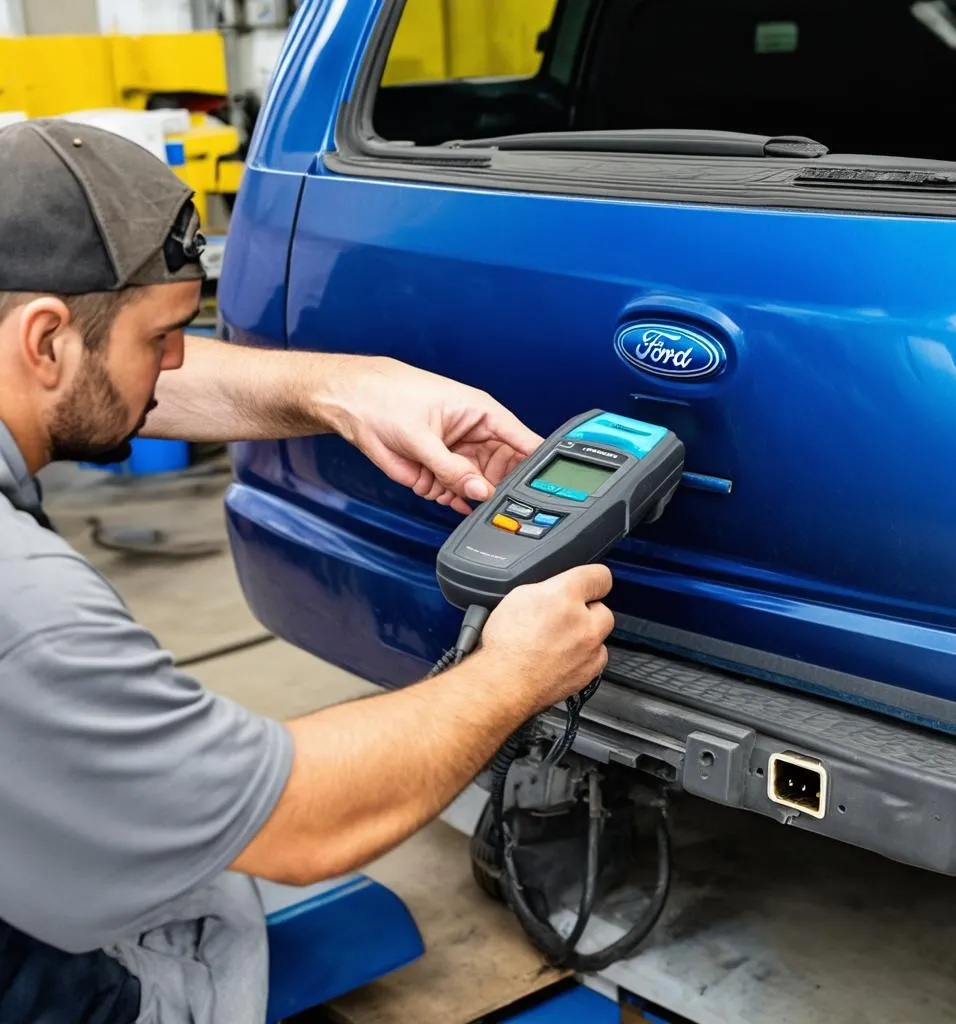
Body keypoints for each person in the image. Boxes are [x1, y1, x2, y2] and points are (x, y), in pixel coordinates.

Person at [0, 119, 614, 1023]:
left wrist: (345, 386)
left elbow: (113, 371)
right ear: (44, 339)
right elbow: (302, 822)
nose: (174, 365)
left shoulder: (31, 343)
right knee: (207, 910)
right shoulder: (29, 609)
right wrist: (512, 677)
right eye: (162, 337)